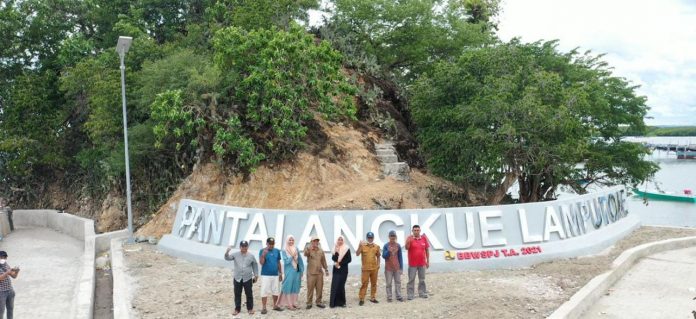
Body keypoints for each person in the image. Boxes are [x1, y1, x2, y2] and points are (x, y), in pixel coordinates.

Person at [224, 241, 259, 315]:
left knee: (249, 293)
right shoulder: (235, 254)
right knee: (237, 293)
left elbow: (255, 265)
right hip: (237, 278)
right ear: (240, 247)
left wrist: (256, 275)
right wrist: (227, 251)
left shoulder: (251, 256)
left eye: (245, 246)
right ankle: (237, 309)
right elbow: (227, 258)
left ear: (247, 247)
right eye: (242, 246)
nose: (244, 248)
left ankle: (250, 308)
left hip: (248, 278)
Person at [276, 235, 304, 310]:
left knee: (296, 286)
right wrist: (292, 256)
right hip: (289, 270)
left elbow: (300, 260)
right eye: (289, 240)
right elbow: (286, 262)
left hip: (297, 270)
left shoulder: (296, 248)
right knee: (288, 285)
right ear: (287, 240)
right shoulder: (284, 250)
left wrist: (302, 270)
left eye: (292, 240)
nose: (291, 241)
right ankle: (289, 304)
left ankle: (294, 303)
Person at [259, 237, 283, 314]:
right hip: (265, 275)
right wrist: (263, 255)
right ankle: (264, 307)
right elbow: (261, 263)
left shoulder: (277, 251)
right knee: (264, 291)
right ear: (267, 243)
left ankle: (275, 305)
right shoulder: (262, 251)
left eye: (273, 244)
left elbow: (278, 262)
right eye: (270, 244)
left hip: (275, 275)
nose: (271, 245)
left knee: (276, 290)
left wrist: (280, 273)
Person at [405, 225, 429, 300]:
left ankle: (422, 293)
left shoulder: (424, 238)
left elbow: (427, 250)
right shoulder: (409, 238)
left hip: (422, 263)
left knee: (422, 279)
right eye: (414, 230)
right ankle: (410, 294)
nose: (416, 231)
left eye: (417, 230)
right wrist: (408, 242)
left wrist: (427, 261)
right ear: (412, 231)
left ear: (420, 230)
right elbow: (406, 248)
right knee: (411, 279)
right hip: (412, 264)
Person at [304, 236, 329, 309]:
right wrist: (309, 248)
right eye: (314, 241)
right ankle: (309, 303)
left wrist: (326, 269)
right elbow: (305, 254)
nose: (315, 242)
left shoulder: (321, 250)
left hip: (319, 273)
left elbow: (323, 260)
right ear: (311, 242)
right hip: (311, 273)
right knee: (310, 288)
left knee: (319, 288)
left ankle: (318, 302)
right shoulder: (308, 249)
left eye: (317, 241)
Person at [356, 231, 380, 305]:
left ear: (373, 238)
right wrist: (359, 245)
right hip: (365, 269)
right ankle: (362, 298)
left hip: (374, 269)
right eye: (369, 237)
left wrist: (378, 265)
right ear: (367, 238)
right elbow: (357, 254)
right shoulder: (363, 246)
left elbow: (378, 256)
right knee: (364, 283)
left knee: (374, 283)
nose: (370, 239)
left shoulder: (376, 246)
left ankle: (372, 297)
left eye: (371, 237)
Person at [329, 236, 352, 308]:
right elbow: (333, 258)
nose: (340, 241)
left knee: (341, 286)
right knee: (334, 285)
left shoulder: (346, 248)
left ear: (343, 241)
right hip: (336, 269)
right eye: (339, 239)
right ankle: (333, 303)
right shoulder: (335, 247)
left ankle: (342, 303)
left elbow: (349, 259)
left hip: (343, 270)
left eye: (341, 240)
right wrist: (336, 251)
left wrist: (340, 263)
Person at [382, 230, 404, 302]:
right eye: (391, 236)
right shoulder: (386, 246)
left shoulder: (398, 245)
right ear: (389, 237)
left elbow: (400, 257)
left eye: (394, 236)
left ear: (396, 237)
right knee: (388, 283)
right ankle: (389, 297)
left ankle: (398, 296)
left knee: (398, 282)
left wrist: (401, 268)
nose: (392, 237)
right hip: (388, 268)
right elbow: (384, 256)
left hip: (397, 268)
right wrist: (388, 251)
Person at [0, 251, 18, 319]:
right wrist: (7, 272)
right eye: (1, 257)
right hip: (1, 292)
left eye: (4, 257)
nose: (3, 259)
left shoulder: (5, 264)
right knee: (1, 311)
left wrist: (16, 272)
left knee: (10, 309)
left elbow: (14, 276)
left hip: (10, 291)